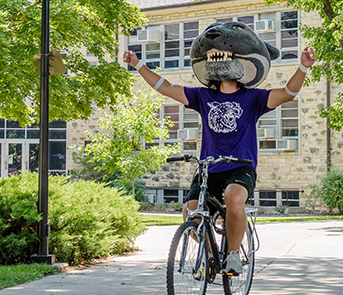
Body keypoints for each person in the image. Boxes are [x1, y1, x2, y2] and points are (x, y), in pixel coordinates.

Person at [123, 43, 316, 275]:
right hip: (209, 168)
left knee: (233, 198)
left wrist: (303, 67)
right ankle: (211, 256)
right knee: (190, 213)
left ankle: (233, 254)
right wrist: (138, 64)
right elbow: (166, 88)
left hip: (240, 166)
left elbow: (287, 94)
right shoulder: (203, 96)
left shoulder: (253, 98)